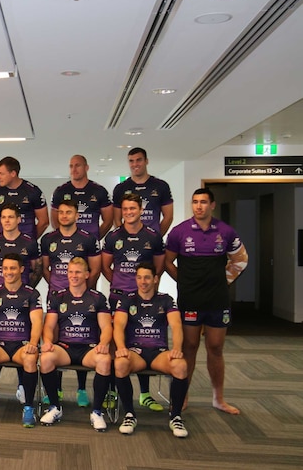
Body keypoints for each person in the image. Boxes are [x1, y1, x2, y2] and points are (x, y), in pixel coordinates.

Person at [165, 187, 248, 415]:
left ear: (212, 205)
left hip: (217, 300)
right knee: (189, 348)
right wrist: (183, 281)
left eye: (203, 202)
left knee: (215, 348)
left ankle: (218, 399)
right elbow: (167, 262)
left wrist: (225, 281)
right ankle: (182, 397)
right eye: (195, 202)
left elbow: (241, 259)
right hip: (190, 299)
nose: (198, 206)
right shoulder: (179, 232)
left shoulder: (225, 231)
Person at [101, 193, 165, 411]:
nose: (129, 212)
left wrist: (142, 290)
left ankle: (145, 394)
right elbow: (105, 267)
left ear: (141, 209)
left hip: (144, 299)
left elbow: (158, 267)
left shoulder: (153, 237)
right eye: (125, 209)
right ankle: (111, 391)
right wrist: (122, 287)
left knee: (142, 342)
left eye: (133, 208)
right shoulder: (113, 237)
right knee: (114, 344)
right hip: (118, 297)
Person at [113, 263, 189, 437]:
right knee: (120, 364)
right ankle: (130, 414)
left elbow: (177, 326)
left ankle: (175, 416)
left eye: (147, 277)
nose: (143, 281)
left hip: (158, 352)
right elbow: (118, 325)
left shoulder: (166, 299)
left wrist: (177, 348)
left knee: (180, 366)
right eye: (139, 277)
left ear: (155, 279)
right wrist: (121, 347)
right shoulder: (127, 299)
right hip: (135, 352)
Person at [39, 257, 113, 431]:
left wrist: (103, 343)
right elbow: (49, 325)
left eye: (78, 272)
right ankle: (55, 407)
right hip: (65, 347)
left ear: (87, 274)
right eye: (71, 272)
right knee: (46, 358)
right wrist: (48, 341)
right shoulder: (59, 297)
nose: (74, 275)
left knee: (104, 360)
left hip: (89, 349)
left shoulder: (97, 298)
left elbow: (106, 326)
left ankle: (96, 412)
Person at [40, 198, 102, 404]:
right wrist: (60, 289)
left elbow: (94, 270)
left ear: (77, 215)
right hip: (56, 297)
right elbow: (46, 269)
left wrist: (81, 291)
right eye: (61, 212)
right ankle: (55, 390)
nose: (64, 216)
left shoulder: (87, 238)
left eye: (69, 212)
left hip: (82, 298)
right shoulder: (48, 239)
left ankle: (82, 389)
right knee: (55, 343)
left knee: (81, 339)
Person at [0, 254, 42, 427]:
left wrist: (33, 344)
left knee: (30, 359)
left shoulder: (32, 293)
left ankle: (28, 407)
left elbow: (37, 322)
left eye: (12, 268)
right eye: (5, 268)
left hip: (22, 345)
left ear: (21, 269)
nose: (8, 272)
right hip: (1, 344)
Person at [112, 147, 173, 235]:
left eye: (139, 160)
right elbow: (116, 219)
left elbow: (168, 217)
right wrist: (124, 237)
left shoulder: (161, 186)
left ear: (146, 161)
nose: (135, 164)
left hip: (152, 243)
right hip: (128, 241)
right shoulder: (120, 188)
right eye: (131, 161)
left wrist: (156, 237)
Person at [51, 155, 113, 240]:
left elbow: (108, 221)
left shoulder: (99, 191)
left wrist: (94, 239)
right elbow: (54, 220)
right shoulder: (60, 191)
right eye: (71, 166)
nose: (74, 169)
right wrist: (64, 237)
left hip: (91, 247)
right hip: (67, 244)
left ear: (86, 168)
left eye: (77, 165)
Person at [0, 156, 49, 238]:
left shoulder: (33, 191)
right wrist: (0, 240)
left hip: (26, 246)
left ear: (13, 173)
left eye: (1, 174)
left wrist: (30, 240)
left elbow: (44, 222)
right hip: (4, 246)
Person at [0, 204, 41, 288]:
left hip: (23, 295)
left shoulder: (30, 242)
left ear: (18, 219)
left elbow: (36, 271)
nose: (7, 220)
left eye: (11, 217)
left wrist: (27, 289)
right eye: (3, 217)